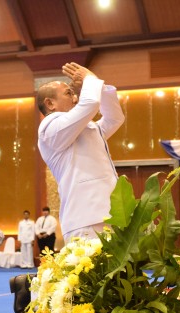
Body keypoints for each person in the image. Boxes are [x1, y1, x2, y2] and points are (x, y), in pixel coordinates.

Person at [37, 62, 124, 243]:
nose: (75, 99)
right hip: (85, 219)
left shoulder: (88, 127)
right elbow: (90, 103)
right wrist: (90, 79)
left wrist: (98, 85)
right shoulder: (49, 128)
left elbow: (115, 118)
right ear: (50, 103)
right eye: (69, 93)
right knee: (91, 270)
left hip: (110, 212)